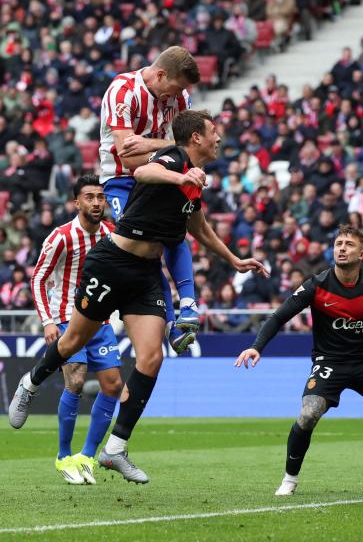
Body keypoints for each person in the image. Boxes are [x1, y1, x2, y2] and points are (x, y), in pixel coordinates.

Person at [9, 110, 268, 484]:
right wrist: (182, 174)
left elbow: (198, 227)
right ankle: (30, 384)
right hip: (113, 263)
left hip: (146, 275)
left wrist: (233, 260)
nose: (218, 138)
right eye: (213, 132)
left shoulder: (194, 181)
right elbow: (141, 173)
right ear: (195, 137)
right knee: (71, 342)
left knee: (151, 357)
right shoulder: (175, 160)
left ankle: (115, 448)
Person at [235, 225, 363, 496]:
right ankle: (289, 480)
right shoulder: (317, 284)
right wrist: (256, 347)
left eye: (349, 244)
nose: (341, 248)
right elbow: (278, 316)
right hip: (329, 362)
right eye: (338, 243)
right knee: (308, 415)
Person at [99, 45, 201, 354]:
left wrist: (153, 144)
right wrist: (170, 147)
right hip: (120, 179)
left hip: (163, 174)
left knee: (174, 232)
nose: (178, 95)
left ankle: (188, 306)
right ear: (160, 74)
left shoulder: (180, 98)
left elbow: (188, 150)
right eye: (175, 86)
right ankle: (170, 323)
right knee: (144, 247)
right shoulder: (123, 91)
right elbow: (128, 156)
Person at [30, 175, 122, 485]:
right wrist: (48, 321)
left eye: (100, 197)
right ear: (77, 202)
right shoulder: (61, 236)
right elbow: (39, 279)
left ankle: (86, 456)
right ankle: (63, 456)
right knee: (77, 378)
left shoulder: (111, 234)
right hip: (68, 317)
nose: (96, 202)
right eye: (89, 197)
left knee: (112, 385)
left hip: (101, 320)